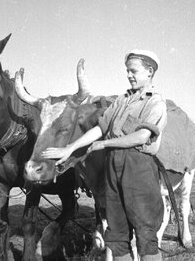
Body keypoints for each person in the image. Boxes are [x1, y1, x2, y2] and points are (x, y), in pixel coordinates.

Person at [42, 50, 167, 261]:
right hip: (113, 166)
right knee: (116, 234)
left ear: (150, 71)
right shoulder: (121, 100)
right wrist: (70, 148)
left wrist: (105, 143)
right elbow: (100, 128)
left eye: (133, 70)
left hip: (138, 168)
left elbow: (141, 136)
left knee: (145, 233)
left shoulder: (155, 103)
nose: (129, 75)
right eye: (127, 70)